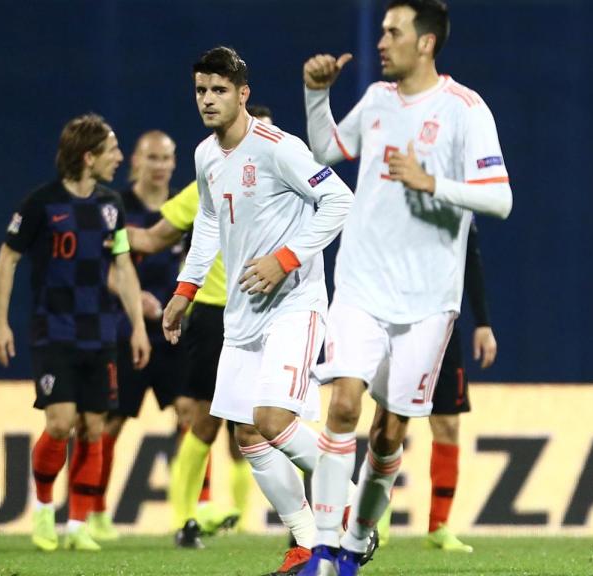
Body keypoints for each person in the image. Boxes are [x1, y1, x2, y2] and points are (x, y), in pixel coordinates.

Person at [299, 0, 513, 573]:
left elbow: (500, 198)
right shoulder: (374, 102)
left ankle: (357, 539)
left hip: (428, 303)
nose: (381, 41)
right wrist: (316, 95)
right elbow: (327, 151)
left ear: (426, 43)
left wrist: (432, 181)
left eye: (394, 32)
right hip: (361, 285)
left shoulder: (466, 110)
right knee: (342, 404)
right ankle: (323, 548)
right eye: (384, 30)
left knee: (388, 432)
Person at [161, 46, 353, 575]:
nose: (208, 99)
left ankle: (357, 508)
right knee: (247, 432)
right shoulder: (205, 156)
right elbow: (206, 221)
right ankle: (311, 545)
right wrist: (186, 289)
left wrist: (284, 258)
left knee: (272, 418)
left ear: (243, 94)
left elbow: (339, 200)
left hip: (294, 302)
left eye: (220, 90)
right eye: (201, 90)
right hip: (243, 314)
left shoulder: (277, 148)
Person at [0, 114, 151, 552]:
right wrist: (0, 322)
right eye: (113, 150)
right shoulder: (41, 204)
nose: (119, 157)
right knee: (61, 424)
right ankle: (43, 510)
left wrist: (137, 326)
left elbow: (121, 265)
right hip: (53, 330)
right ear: (88, 156)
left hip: (100, 333)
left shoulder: (111, 205)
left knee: (94, 427)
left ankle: (78, 526)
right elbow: (8, 259)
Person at [130, 104, 275, 548]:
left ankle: (246, 516)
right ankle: (185, 520)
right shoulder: (211, 180)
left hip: (270, 316)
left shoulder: (288, 188)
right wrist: (105, 231)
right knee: (205, 423)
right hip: (214, 315)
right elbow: (154, 237)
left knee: (263, 423)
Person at [88, 130, 188, 543]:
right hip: (126, 331)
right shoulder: (117, 207)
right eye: (152, 157)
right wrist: (134, 299)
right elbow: (101, 265)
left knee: (192, 415)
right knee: (111, 422)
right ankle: (93, 511)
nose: (160, 165)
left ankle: (191, 513)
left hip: (175, 332)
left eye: (166, 157)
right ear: (136, 161)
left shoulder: (183, 208)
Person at [376, 221, 498, 553]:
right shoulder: (397, 190)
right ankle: (376, 515)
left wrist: (483, 323)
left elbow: (470, 260)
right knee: (389, 421)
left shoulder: (459, 202)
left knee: (448, 423)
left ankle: (438, 526)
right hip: (399, 319)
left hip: (443, 323)